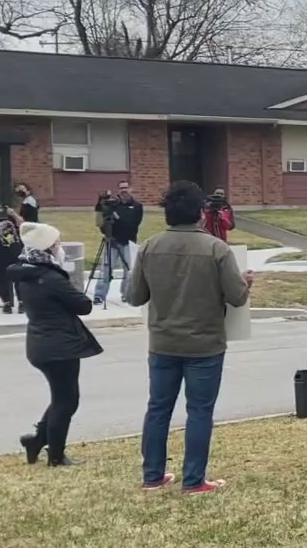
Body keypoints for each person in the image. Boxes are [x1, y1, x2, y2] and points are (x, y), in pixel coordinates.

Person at [128, 181, 253, 494]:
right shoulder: (216, 249)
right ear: (200, 213)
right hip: (205, 343)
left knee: (158, 408)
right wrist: (246, 282)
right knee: (199, 411)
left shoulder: (149, 247)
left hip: (162, 341)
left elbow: (134, 296)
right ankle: (194, 479)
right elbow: (236, 297)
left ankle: (152, 475)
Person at [11, 222, 101, 467]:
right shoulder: (50, 277)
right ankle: (56, 455)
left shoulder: (27, 272)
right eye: (57, 244)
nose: (61, 248)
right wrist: (71, 281)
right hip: (59, 346)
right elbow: (83, 305)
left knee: (61, 397)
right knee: (67, 400)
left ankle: (37, 439)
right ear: (48, 249)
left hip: (42, 343)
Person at [93, 180, 143, 305]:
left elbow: (132, 224)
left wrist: (115, 216)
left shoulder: (137, 206)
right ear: (118, 190)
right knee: (106, 269)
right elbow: (101, 223)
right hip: (112, 241)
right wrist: (101, 205)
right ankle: (99, 295)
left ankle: (126, 294)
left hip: (129, 241)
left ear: (130, 189)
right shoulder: (112, 204)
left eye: (126, 187)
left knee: (129, 271)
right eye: (121, 188)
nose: (124, 190)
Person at [0, 202, 24, 314]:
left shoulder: (11, 216)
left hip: (14, 251)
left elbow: (23, 225)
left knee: (19, 278)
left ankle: (22, 302)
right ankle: (7, 303)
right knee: (2, 278)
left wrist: (14, 214)